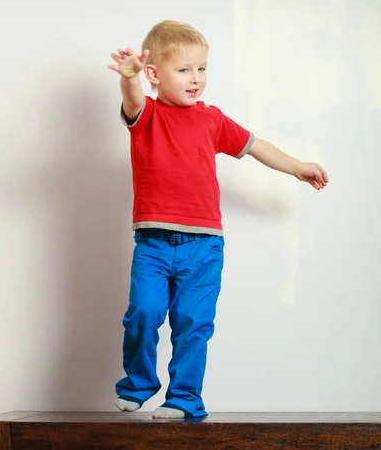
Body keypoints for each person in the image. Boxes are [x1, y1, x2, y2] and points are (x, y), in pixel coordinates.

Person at [108, 20, 328, 419]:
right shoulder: (147, 115)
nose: (196, 79)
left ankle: (184, 398)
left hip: (204, 245)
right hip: (154, 244)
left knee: (193, 322)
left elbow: (256, 145)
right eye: (185, 70)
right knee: (143, 312)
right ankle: (138, 385)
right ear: (154, 74)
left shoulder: (211, 119)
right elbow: (133, 99)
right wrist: (129, 78)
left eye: (202, 69)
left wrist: (296, 166)